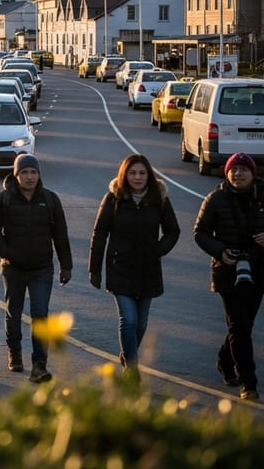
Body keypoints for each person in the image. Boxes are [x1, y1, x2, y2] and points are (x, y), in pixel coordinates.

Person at [193, 153, 264, 401]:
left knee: (244, 325)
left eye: (243, 170)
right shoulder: (215, 199)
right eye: (233, 170)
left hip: (259, 269)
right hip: (228, 271)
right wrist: (220, 252)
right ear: (227, 173)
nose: (238, 174)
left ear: (252, 173)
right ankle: (248, 383)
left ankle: (224, 362)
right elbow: (200, 233)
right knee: (239, 326)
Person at [87, 153, 180, 380]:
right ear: (124, 175)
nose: (137, 177)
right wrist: (94, 269)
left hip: (148, 269)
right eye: (132, 173)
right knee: (128, 319)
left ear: (148, 175)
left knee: (141, 322)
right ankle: (132, 368)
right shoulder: (113, 198)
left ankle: (127, 353)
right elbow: (99, 234)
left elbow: (173, 231)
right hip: (121, 267)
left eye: (142, 173)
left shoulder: (159, 198)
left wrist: (158, 250)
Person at [0, 154, 72, 383]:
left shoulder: (50, 200)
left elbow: (60, 235)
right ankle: (14, 352)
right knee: (13, 313)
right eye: (24, 172)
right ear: (16, 174)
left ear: (39, 174)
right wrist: (7, 253)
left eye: (33, 172)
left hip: (42, 269)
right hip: (13, 269)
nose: (29, 177)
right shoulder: (3, 198)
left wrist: (66, 266)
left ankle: (39, 364)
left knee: (40, 315)